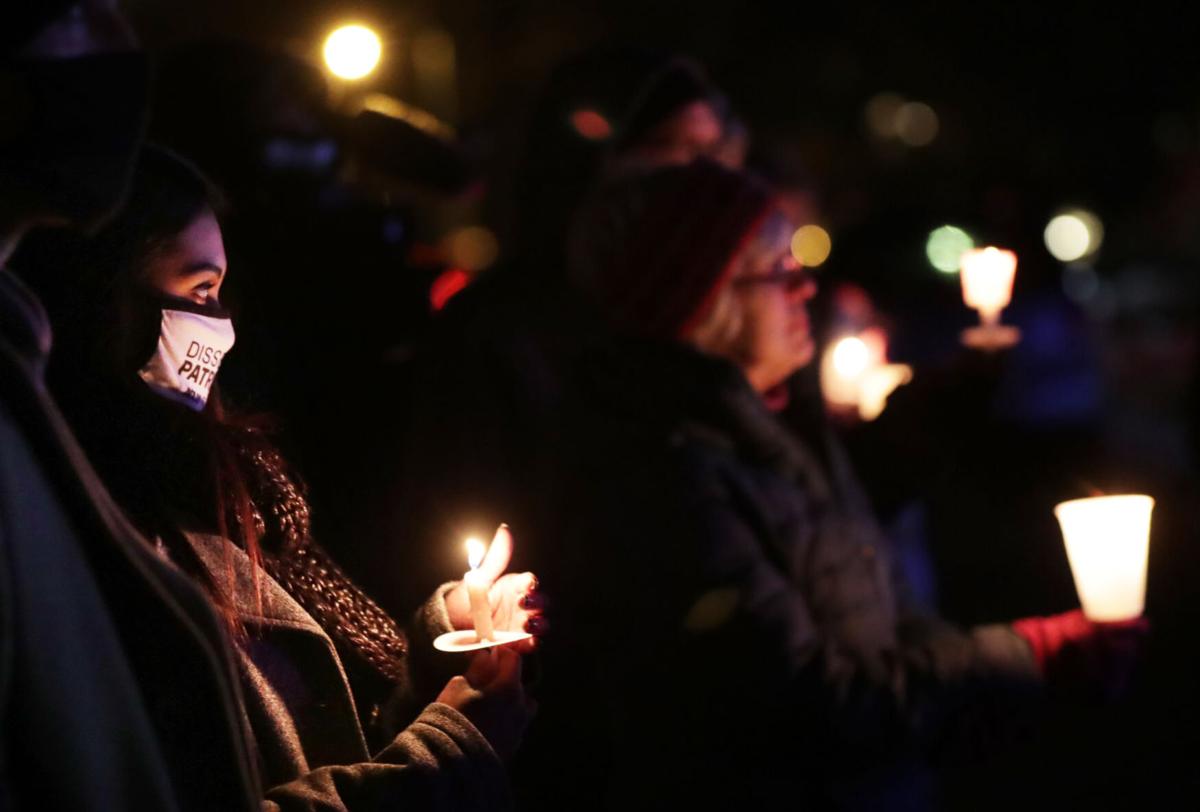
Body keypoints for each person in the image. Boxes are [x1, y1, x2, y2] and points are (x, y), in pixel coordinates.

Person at [538, 159, 1144, 810]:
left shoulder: (779, 423)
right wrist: (1030, 657)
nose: (807, 290)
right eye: (780, 272)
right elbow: (805, 703)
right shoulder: (665, 478)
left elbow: (873, 597)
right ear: (702, 299)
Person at [22, 144, 546, 809]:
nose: (221, 326)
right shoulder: (81, 541)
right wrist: (451, 751)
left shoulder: (201, 485)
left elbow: (327, 731)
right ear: (99, 302)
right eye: (200, 289)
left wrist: (450, 645)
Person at [356, 46, 737, 614]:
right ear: (601, 165)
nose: (708, 180)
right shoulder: (495, 335)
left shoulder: (714, 318)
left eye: (714, 153)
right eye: (680, 151)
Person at [0, 2, 263, 808]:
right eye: (200, 289)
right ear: (101, 296)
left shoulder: (210, 475)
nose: (109, 47)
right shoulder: (73, 459)